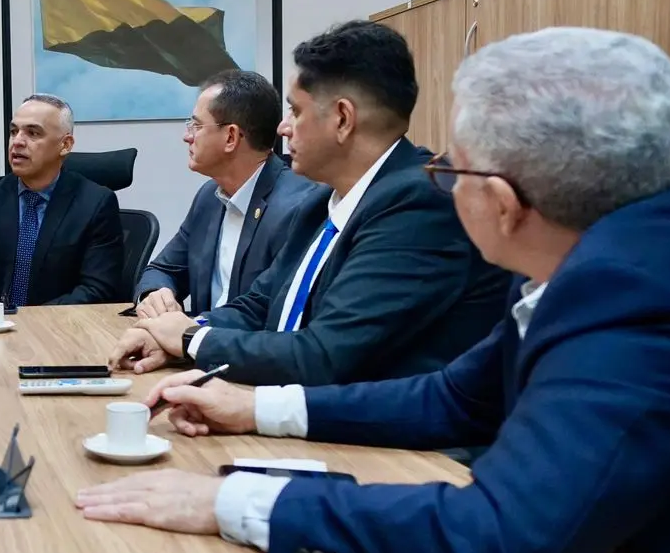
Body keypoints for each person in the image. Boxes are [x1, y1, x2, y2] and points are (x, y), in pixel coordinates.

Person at [77, 27, 670, 553]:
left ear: (503, 204)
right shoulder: (598, 259)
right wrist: (251, 408)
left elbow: (497, 537)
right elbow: (455, 398)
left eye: (452, 170)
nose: (442, 185)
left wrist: (229, 502)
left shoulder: (626, 294)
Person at [110, 21, 509, 386]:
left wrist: (190, 339)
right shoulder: (322, 201)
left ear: (342, 119)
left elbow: (324, 354)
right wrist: (177, 335)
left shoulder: (418, 205)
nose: (283, 128)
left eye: (296, 111)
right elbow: (258, 305)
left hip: (383, 433)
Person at [134, 70, 326, 318]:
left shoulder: (299, 207)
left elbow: (267, 312)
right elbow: (162, 269)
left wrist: (194, 331)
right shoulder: (209, 197)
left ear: (231, 137)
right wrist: (156, 294)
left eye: (197, 126)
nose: (187, 136)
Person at [0, 93, 124, 308]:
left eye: (33, 133)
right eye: (14, 131)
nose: (17, 142)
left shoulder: (96, 204)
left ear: (65, 144)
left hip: (58, 325)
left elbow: (96, 290)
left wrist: (29, 322)